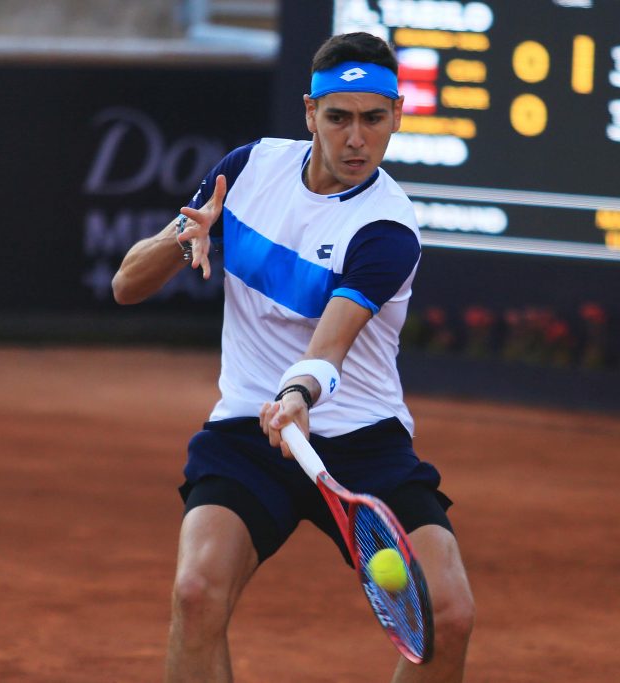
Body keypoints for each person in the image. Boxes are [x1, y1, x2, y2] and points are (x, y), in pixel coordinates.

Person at [112, 32, 474, 683]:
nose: (356, 138)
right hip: (249, 432)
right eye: (339, 117)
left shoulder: (388, 229)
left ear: (397, 116)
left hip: (363, 441)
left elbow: (329, 343)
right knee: (197, 594)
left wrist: (299, 396)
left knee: (448, 615)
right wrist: (181, 234)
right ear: (311, 113)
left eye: (373, 118)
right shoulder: (248, 169)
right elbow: (126, 284)